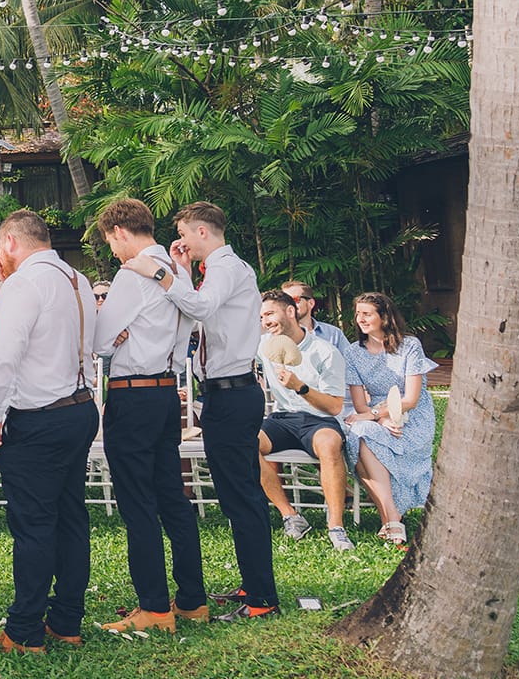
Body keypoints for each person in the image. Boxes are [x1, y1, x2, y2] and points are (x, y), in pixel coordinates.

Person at [125, 201, 280, 620]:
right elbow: (201, 309)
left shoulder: (228, 268)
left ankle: (262, 599)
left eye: (185, 234)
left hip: (232, 394)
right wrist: (185, 275)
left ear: (203, 232)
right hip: (224, 393)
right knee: (237, 493)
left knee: (241, 495)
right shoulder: (222, 271)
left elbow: (200, 309)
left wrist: (159, 274)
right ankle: (254, 582)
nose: (183, 242)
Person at [0, 210, 99, 655]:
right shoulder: (78, 280)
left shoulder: (24, 284)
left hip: (40, 416)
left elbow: (4, 355)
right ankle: (66, 621)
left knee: (33, 524)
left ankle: (23, 630)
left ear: (9, 243)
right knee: (70, 517)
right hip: (80, 409)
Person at [90, 199, 206, 636]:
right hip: (165, 393)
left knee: (138, 504)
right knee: (172, 497)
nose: (114, 253)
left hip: (132, 395)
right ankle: (192, 601)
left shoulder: (132, 272)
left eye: (110, 242)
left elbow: (101, 341)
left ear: (120, 230)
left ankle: (154, 606)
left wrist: (116, 336)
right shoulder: (175, 269)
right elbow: (184, 338)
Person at [255, 290, 353, 550]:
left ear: (290, 311)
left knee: (330, 446)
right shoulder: (264, 346)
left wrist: (300, 387)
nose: (265, 321)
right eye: (262, 316)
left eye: (270, 314)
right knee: (245, 443)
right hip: (283, 419)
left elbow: (334, 406)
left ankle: (336, 527)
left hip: (319, 420)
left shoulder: (325, 351)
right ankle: (291, 515)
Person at [339, 292, 438, 544]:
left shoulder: (409, 345)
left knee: (360, 433)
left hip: (413, 418)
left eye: (367, 314)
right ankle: (392, 518)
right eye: (358, 313)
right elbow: (360, 403)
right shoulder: (353, 352)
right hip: (379, 417)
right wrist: (380, 418)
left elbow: (411, 399)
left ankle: (390, 519)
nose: (360, 319)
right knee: (358, 436)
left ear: (384, 317)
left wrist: (376, 415)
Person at [280, 280, 347, 351]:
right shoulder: (275, 335)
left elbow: (348, 360)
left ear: (311, 303)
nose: (289, 305)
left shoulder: (333, 334)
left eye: (295, 300)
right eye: (284, 301)